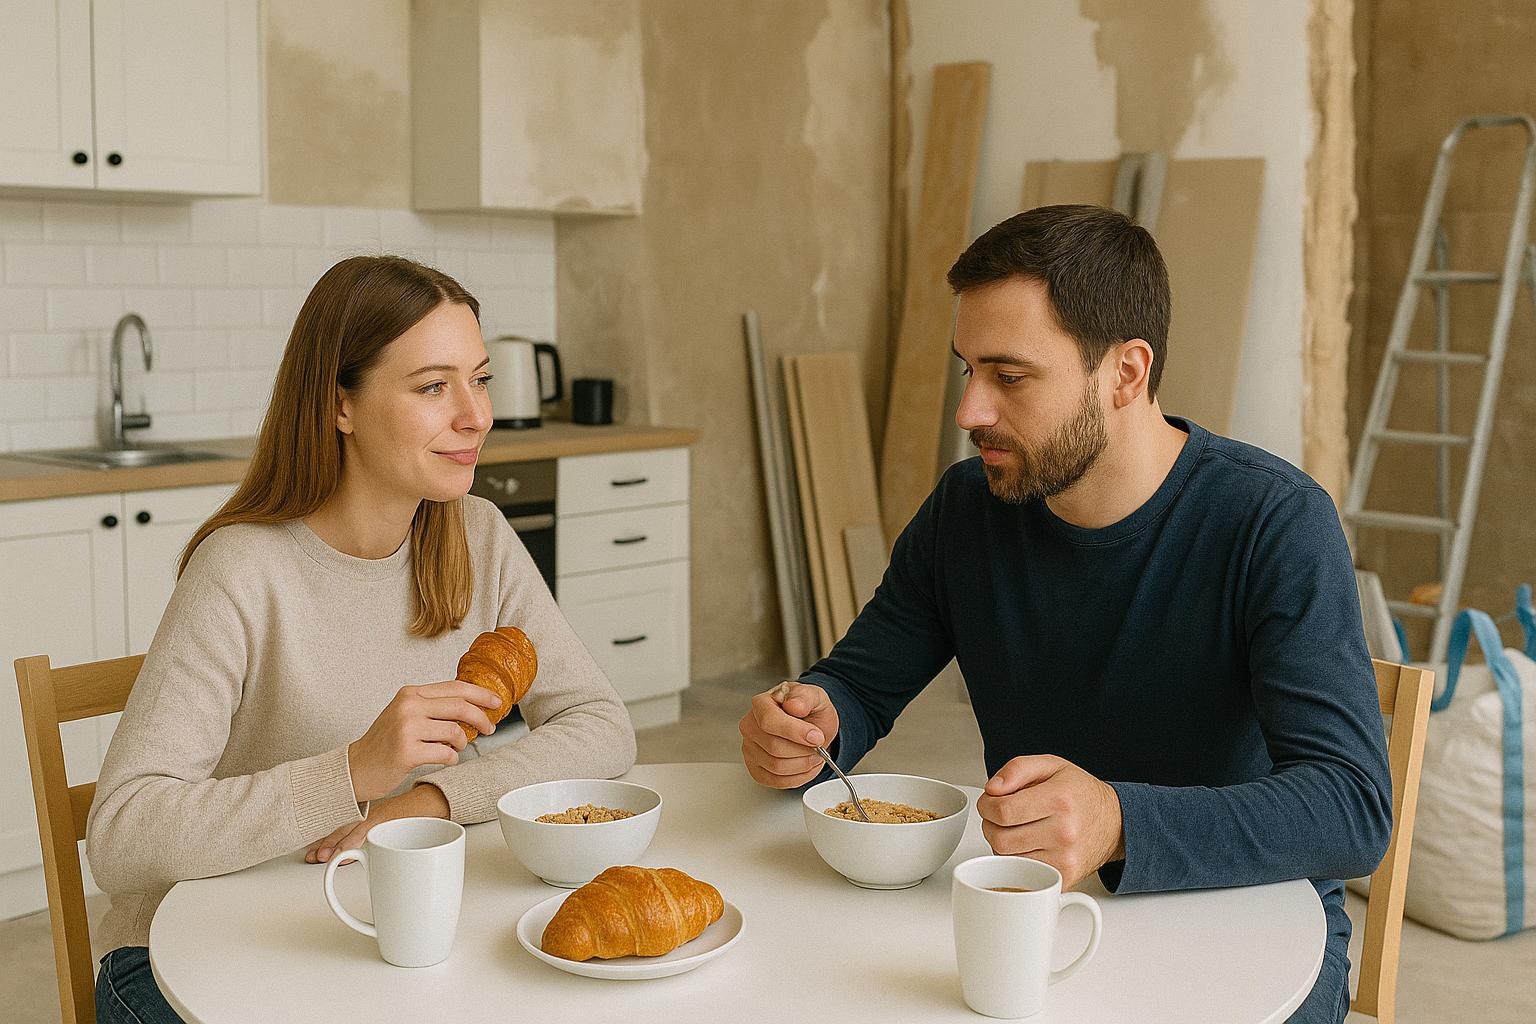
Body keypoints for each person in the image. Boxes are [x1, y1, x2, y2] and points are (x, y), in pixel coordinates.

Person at [739, 205, 1391, 1023]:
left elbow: (1351, 806)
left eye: (1009, 377)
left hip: (1252, 936)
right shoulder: (967, 510)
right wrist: (813, 720)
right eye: (967, 370)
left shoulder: (1273, 521)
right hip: (1036, 920)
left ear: (1125, 374)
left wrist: (1118, 822)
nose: (970, 411)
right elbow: (861, 685)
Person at [88, 256, 636, 1023]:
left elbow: (602, 726)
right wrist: (352, 772)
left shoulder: (477, 535)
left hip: (377, 926)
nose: (475, 415)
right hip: (192, 959)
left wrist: (428, 799)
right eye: (433, 387)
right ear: (341, 404)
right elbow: (121, 837)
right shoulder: (242, 570)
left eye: (480, 380)